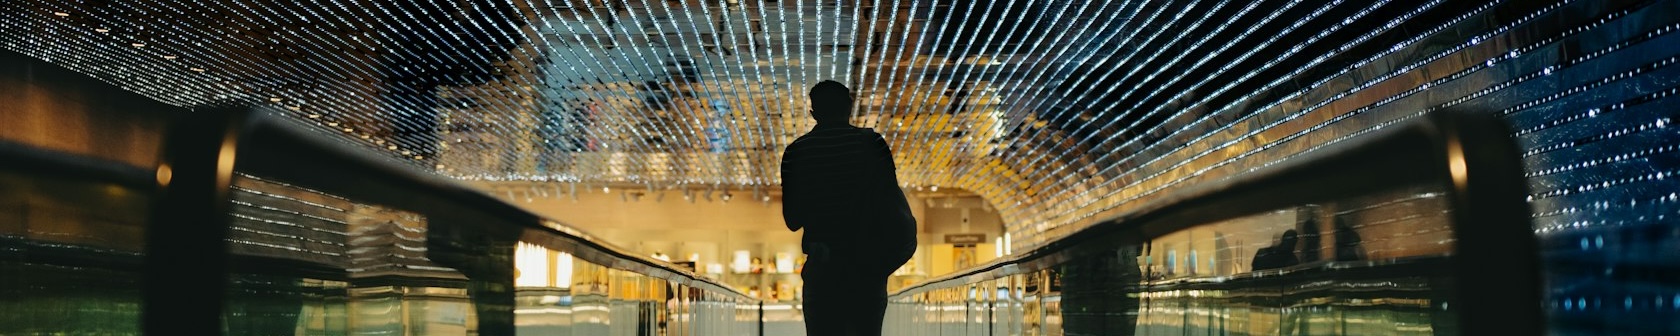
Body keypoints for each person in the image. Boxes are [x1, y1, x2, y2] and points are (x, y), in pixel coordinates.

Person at [781, 80, 917, 336]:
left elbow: (792, 219)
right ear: (850, 107)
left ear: (813, 113)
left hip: (823, 270)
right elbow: (890, 201)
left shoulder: (796, 152)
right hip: (867, 268)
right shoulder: (872, 143)